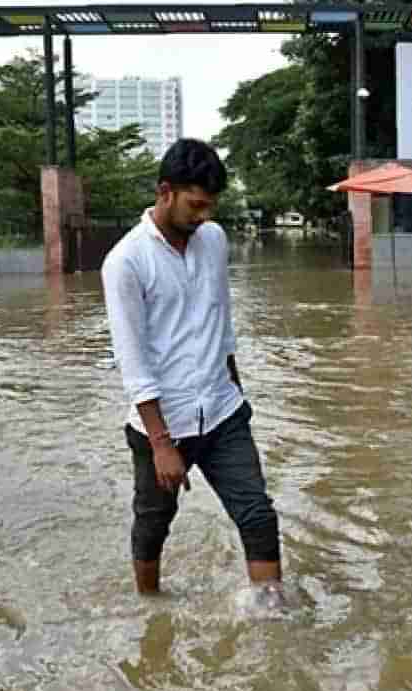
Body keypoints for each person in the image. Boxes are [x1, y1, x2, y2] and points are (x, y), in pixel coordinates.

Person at [102, 139, 282, 598]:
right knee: (153, 524)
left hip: (223, 411)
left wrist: (237, 392)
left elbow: (220, 322)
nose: (204, 215)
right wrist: (162, 444)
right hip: (164, 424)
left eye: (211, 205)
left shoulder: (214, 241)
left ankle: (273, 618)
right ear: (165, 192)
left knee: (257, 514)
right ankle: (150, 608)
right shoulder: (126, 261)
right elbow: (133, 359)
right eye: (195, 204)